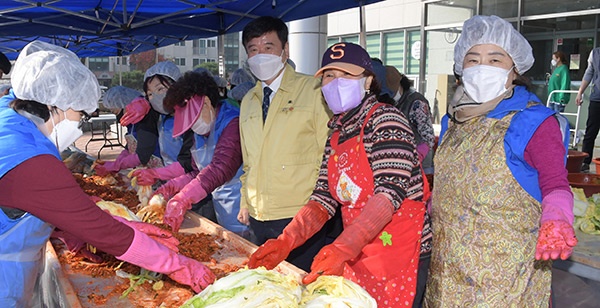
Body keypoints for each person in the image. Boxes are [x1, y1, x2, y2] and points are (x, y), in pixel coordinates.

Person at [0, 40, 214, 307]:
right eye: (80, 113)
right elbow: (104, 232)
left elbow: (45, 204)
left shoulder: (10, 118)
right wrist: (177, 265)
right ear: (58, 103)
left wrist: (83, 229)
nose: (79, 123)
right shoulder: (31, 159)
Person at [248, 42, 430, 308]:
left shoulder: (386, 120)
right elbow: (322, 199)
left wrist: (344, 246)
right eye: (329, 76)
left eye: (346, 75)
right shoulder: (337, 133)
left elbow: (390, 192)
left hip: (399, 251)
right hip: (359, 249)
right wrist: (286, 240)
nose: (335, 82)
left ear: (368, 80)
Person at [424, 15, 577, 307]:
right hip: (446, 273)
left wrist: (557, 217)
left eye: (495, 59)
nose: (483, 67)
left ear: (514, 69)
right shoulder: (452, 120)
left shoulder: (534, 122)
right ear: (460, 69)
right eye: (473, 59)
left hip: (505, 280)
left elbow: (556, 183)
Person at [237, 16, 332, 272]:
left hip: (300, 215)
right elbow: (249, 162)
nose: (260, 55)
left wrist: (317, 207)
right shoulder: (248, 100)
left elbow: (329, 155)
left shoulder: (312, 90)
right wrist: (245, 202)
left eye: (268, 47)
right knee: (271, 283)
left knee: (301, 283)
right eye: (253, 50)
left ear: (285, 49)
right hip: (259, 215)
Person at [153, 71, 250, 239]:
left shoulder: (232, 122)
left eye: (193, 119)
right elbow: (197, 171)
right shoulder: (200, 133)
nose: (193, 126)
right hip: (223, 210)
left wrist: (184, 198)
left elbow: (221, 168)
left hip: (245, 211)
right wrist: (172, 186)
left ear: (206, 102)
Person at [94, 62, 193, 183]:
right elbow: (129, 147)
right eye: (150, 94)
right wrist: (117, 162)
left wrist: (154, 173)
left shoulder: (191, 118)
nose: (156, 97)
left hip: (191, 183)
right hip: (168, 178)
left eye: (160, 89)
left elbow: (188, 162)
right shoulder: (160, 117)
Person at [386, 66, 436, 174]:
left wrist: (418, 155)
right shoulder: (393, 102)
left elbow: (428, 136)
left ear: (400, 84)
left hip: (421, 165)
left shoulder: (416, 102)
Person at [576, 47, 600, 172]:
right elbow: (589, 72)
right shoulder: (595, 53)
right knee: (590, 132)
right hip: (597, 99)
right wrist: (580, 92)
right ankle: (585, 161)